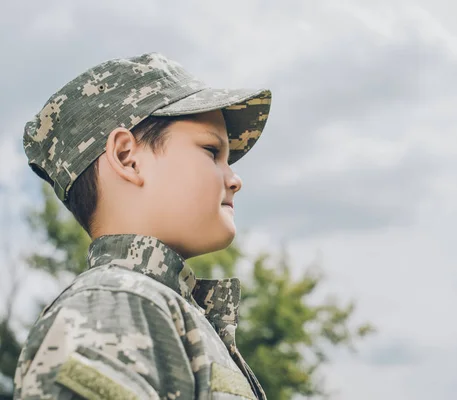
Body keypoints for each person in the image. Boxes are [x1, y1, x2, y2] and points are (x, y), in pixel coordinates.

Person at [13, 52, 271, 399]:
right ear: (126, 157)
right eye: (211, 151)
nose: (235, 179)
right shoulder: (114, 306)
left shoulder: (157, 308)